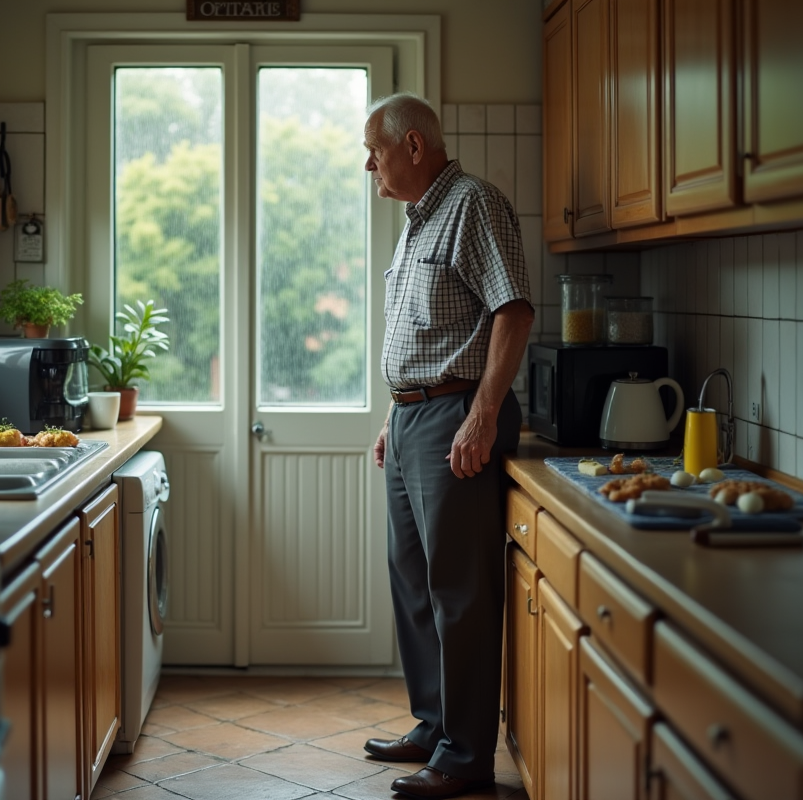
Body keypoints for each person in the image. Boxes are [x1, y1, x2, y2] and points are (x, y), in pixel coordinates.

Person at [360, 93, 535, 800]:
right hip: (411, 420)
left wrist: (483, 413)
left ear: (411, 145)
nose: (367, 163)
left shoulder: (474, 204)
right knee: (413, 583)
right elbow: (425, 333)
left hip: (456, 417)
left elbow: (513, 309)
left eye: (373, 149)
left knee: (459, 592)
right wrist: (391, 415)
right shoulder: (415, 223)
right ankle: (433, 725)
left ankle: (466, 755)